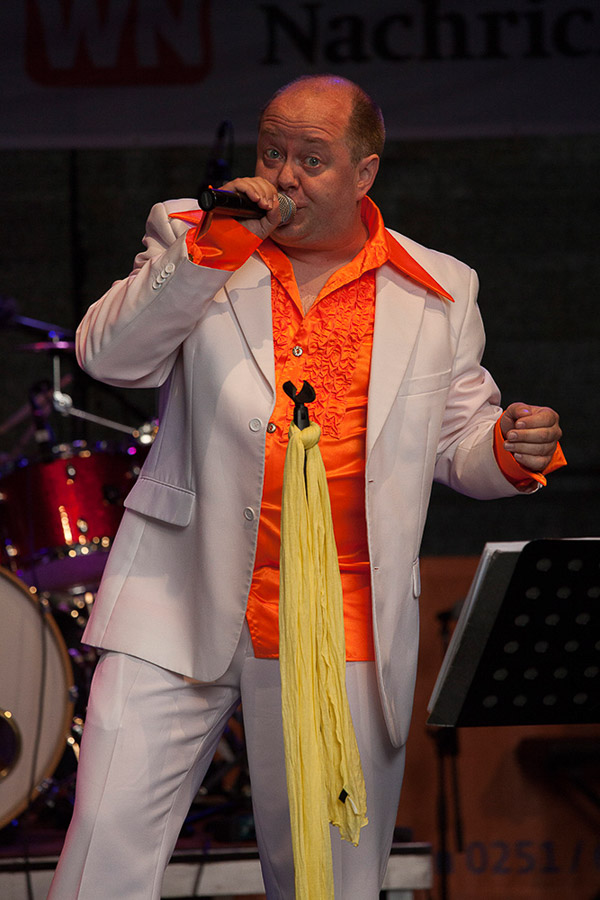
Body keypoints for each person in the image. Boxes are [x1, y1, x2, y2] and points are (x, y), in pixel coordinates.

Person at [48, 75, 563, 899]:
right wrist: (214, 249)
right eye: (272, 152)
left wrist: (506, 448)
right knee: (100, 858)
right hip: (176, 601)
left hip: (337, 624)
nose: (283, 175)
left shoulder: (438, 288)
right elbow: (109, 358)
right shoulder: (194, 234)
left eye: (312, 160)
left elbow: (459, 438)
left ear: (364, 173)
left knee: (328, 885)